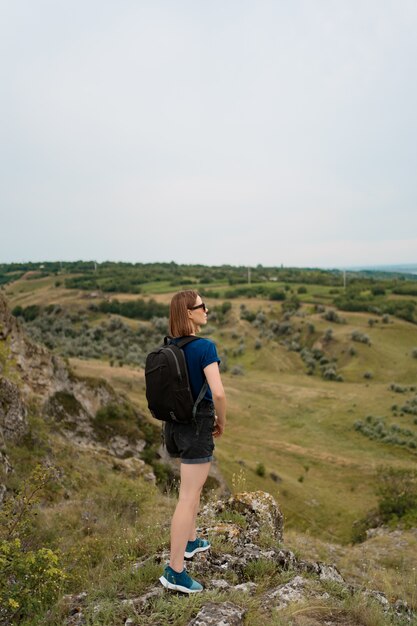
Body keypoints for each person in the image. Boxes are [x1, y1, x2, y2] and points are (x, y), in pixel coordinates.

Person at [159, 290, 227, 594]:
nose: (207, 310)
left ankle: (190, 541)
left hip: (173, 428)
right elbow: (220, 393)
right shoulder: (204, 348)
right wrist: (221, 421)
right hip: (197, 427)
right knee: (187, 497)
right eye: (202, 306)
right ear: (189, 312)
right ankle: (175, 571)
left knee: (193, 489)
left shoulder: (170, 347)